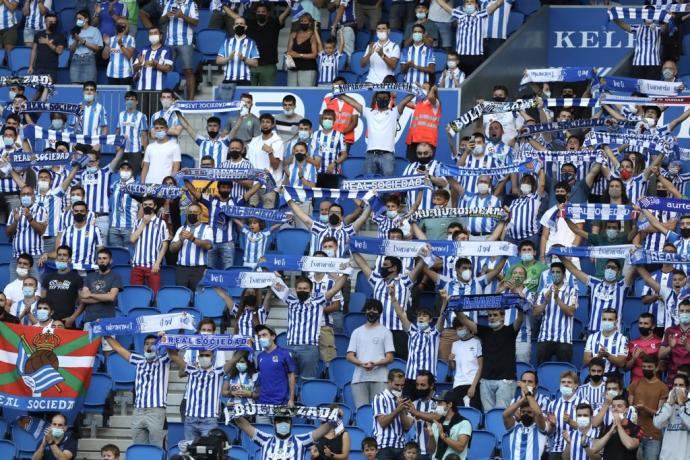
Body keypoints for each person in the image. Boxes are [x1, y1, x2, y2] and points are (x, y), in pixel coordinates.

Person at [270, 274, 347, 380]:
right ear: (295, 290)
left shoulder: (317, 301)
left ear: (311, 290)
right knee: (290, 380)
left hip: (309, 348)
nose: (302, 290)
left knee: (307, 380)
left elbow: (336, 288)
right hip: (290, 347)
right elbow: (274, 284)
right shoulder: (290, 300)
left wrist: (346, 272)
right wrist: (271, 272)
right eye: (299, 288)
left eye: (305, 288)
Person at [105, 334, 171, 447]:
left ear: (159, 347)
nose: (150, 346)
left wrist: (165, 338)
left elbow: (174, 350)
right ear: (143, 346)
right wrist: (105, 335)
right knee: (139, 447)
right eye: (147, 344)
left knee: (156, 447)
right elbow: (119, 348)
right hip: (138, 411)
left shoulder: (164, 360)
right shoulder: (138, 360)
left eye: (153, 344)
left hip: (156, 411)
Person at [456, 305, 523, 411]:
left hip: (506, 381)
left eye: (495, 315)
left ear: (503, 317)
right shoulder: (484, 331)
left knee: (500, 415)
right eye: (489, 315)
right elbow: (463, 319)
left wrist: (520, 306)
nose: (491, 317)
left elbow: (520, 319)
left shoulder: (510, 330)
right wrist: (455, 306)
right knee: (488, 415)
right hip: (486, 381)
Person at [336, 87, 414, 177]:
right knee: (369, 184)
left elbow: (404, 101)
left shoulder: (394, 112)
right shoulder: (369, 112)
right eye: (379, 98)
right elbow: (354, 103)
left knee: (387, 184)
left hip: (387, 155)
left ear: (389, 99)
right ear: (376, 99)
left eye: (384, 98)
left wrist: (415, 92)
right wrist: (341, 95)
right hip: (370, 155)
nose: (382, 100)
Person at [167, 345, 230, 441]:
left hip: (209, 419)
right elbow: (174, 356)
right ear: (198, 357)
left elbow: (234, 360)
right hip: (191, 419)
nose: (204, 357)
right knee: (191, 450)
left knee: (208, 450)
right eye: (202, 355)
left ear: (212, 357)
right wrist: (165, 341)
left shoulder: (219, 372)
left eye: (207, 355)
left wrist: (246, 346)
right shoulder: (191, 370)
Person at [392, 285, 445, 396]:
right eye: (419, 316)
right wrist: (392, 296)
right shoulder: (412, 331)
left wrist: (444, 301)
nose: (420, 318)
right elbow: (401, 314)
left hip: (428, 379)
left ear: (430, 320)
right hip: (411, 378)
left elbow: (442, 316)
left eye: (424, 316)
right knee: (408, 409)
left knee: (426, 408)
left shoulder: (434, 333)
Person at [347, 298, 395, 409]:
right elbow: (349, 356)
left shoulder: (386, 332)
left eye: (375, 309)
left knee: (380, 410)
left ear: (379, 312)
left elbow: (390, 357)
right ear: (365, 311)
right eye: (369, 309)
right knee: (361, 410)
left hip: (381, 378)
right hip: (359, 378)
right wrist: (361, 363)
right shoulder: (357, 332)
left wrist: (375, 364)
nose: (371, 312)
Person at [234, 413, 337, 460]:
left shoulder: (301, 440)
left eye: (286, 421)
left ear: (291, 424)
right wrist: (233, 410)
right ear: (274, 424)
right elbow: (243, 424)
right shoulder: (265, 439)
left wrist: (335, 415)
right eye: (279, 421)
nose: (283, 424)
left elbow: (325, 429)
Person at [534, 261, 579, 364]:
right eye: (553, 272)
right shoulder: (544, 291)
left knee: (564, 370)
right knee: (541, 369)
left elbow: (571, 312)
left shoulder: (572, 291)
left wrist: (557, 299)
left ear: (563, 275)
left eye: (558, 272)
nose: (555, 274)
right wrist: (545, 302)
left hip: (564, 339)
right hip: (545, 338)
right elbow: (535, 313)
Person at [627, 355, 668, 460]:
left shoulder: (663, 387)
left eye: (649, 367)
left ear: (657, 368)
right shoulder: (635, 384)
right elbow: (629, 406)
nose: (646, 369)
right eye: (644, 367)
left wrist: (645, 408)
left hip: (653, 436)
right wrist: (633, 408)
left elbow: (660, 414)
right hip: (635, 434)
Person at [129, 197, 169, 295]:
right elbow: (132, 239)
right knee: (135, 294)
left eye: (150, 205)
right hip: (137, 264)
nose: (147, 207)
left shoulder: (161, 223)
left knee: (155, 295)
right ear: (142, 206)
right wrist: (143, 223)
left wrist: (158, 263)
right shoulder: (137, 222)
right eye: (145, 205)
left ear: (155, 206)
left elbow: (165, 244)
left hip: (152, 265)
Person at [169, 203, 213, 291]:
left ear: (200, 215)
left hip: (199, 270)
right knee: (181, 296)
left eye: (195, 212)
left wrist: (192, 239)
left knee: (198, 297)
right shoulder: (181, 229)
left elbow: (208, 245)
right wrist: (180, 240)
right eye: (190, 212)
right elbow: (172, 249)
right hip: (182, 270)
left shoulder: (207, 228)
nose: (192, 214)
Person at [160, 0, 199, 100]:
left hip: (185, 42)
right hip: (169, 42)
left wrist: (182, 16)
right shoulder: (169, 3)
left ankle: (190, 101)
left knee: (188, 70)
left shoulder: (191, 4)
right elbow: (161, 21)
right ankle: (166, 98)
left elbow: (195, 22)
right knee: (166, 69)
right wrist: (166, 16)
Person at [373, 369, 415, 459]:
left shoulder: (406, 400)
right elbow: (382, 423)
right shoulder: (380, 397)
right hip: (384, 445)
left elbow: (407, 427)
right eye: (397, 385)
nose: (400, 388)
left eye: (402, 385)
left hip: (401, 446)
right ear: (389, 382)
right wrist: (397, 410)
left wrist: (401, 412)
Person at [246, 113, 284, 209]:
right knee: (251, 216)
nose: (265, 124)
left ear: (272, 125)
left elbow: (275, 166)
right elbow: (248, 163)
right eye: (262, 122)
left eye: (267, 122)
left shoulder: (278, 142)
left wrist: (270, 152)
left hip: (269, 185)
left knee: (268, 216)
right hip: (254, 185)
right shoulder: (254, 141)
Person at [6, 185, 47, 275]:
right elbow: (8, 233)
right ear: (20, 197)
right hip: (17, 257)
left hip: (35, 256)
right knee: (15, 286)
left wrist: (29, 218)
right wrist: (15, 222)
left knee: (35, 286)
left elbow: (41, 230)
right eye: (23, 194)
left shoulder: (41, 210)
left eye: (28, 194)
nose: (26, 196)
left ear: (34, 196)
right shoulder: (15, 211)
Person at [502, 383, 549, 460]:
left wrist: (528, 394)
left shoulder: (540, 428)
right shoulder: (515, 426)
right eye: (523, 412)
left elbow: (539, 413)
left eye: (529, 412)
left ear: (534, 414)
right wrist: (524, 398)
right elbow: (505, 415)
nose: (525, 414)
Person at [41, 245, 84, 329]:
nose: (61, 257)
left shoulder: (77, 278)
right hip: (49, 322)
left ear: (69, 259)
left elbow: (82, 303)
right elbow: (42, 300)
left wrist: (72, 318)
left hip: (67, 322)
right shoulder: (48, 277)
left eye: (64, 255)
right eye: (59, 255)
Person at [255, 324, 296, 408]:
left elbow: (291, 376)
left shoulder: (284, 354)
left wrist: (291, 399)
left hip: (282, 402)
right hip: (263, 403)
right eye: (259, 336)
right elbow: (260, 378)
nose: (261, 338)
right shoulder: (260, 356)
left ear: (273, 336)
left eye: (264, 335)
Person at [448, 315, 483, 410]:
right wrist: (450, 360)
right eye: (458, 328)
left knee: (474, 412)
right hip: (458, 384)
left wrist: (473, 386)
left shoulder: (477, 342)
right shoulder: (455, 345)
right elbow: (452, 367)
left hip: (473, 383)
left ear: (468, 326)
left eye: (462, 327)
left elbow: (481, 366)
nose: (460, 330)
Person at [80, 248, 122, 324]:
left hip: (108, 321)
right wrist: (105, 297)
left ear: (110, 260)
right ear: (97, 261)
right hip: (89, 320)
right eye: (99, 258)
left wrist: (90, 295)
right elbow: (83, 299)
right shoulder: (89, 277)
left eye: (105, 258)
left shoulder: (116, 277)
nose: (102, 261)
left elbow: (111, 297)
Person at [546, 370, 582, 459]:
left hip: (577, 449)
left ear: (575, 386)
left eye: (569, 382)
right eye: (563, 382)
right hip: (556, 449)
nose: (566, 384)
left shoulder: (583, 403)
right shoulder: (552, 404)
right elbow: (549, 433)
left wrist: (570, 422)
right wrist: (552, 425)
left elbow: (586, 429)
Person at [653, 374, 690, 459]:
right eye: (675, 385)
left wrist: (681, 405)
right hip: (666, 457)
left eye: (681, 385)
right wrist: (669, 404)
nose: (677, 388)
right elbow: (657, 423)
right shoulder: (668, 406)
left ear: (687, 388)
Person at [426, 391, 472, 460]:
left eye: (440, 403)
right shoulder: (436, 423)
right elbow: (431, 450)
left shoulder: (464, 423)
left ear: (450, 404)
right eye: (437, 403)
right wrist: (431, 436)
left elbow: (460, 447)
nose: (437, 406)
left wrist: (443, 435)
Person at [583, 308, 629, 374]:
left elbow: (621, 363)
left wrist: (607, 355)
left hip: (612, 376)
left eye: (610, 320)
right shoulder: (592, 337)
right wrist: (598, 357)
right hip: (594, 375)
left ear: (616, 322)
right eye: (604, 319)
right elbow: (586, 361)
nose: (607, 322)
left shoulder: (622, 339)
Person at [216, 16, 259, 85]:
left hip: (245, 81)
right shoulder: (226, 42)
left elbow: (255, 63)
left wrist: (243, 58)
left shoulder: (251, 43)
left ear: (245, 27)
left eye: (241, 24)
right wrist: (228, 58)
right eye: (237, 24)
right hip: (228, 80)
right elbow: (218, 61)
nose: (239, 25)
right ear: (233, 27)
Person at [141, 118, 182, 184]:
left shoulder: (175, 146)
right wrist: (142, 183)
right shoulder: (149, 147)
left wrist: (171, 182)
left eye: (161, 128)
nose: (159, 130)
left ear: (166, 129)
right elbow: (145, 167)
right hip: (149, 183)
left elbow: (176, 167)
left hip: (165, 185)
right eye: (157, 128)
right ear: (154, 130)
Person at [116, 92, 148, 175]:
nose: (129, 101)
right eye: (127, 99)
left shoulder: (141, 116)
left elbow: (144, 136)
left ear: (136, 102)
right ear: (125, 102)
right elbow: (117, 131)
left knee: (134, 174)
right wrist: (117, 146)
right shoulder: (121, 114)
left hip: (135, 151)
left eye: (132, 99)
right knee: (121, 174)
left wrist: (146, 155)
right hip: (122, 151)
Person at [28, 12, 65, 83]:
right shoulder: (38, 34)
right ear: (45, 22)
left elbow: (59, 51)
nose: (53, 23)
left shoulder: (60, 36)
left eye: (54, 22)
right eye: (50, 22)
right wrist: (30, 66)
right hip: (38, 68)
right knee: (38, 90)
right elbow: (33, 51)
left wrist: (48, 43)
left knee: (49, 91)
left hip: (52, 69)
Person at [133, 26, 173, 92]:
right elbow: (135, 68)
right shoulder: (143, 50)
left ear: (160, 36)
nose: (153, 35)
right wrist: (139, 64)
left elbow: (168, 68)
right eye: (151, 34)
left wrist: (156, 65)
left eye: (155, 33)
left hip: (158, 88)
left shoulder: (166, 50)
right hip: (142, 87)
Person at [659, 300, 690, 385]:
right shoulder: (670, 331)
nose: (684, 313)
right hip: (673, 378)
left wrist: (687, 346)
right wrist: (671, 347)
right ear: (678, 313)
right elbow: (660, 355)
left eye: (688, 311)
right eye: (682, 311)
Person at [626, 313, 663, 383]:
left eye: (646, 323)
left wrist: (646, 357)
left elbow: (663, 367)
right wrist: (634, 359)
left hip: (654, 383)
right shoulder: (632, 343)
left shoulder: (660, 342)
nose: (642, 326)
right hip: (635, 384)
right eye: (640, 323)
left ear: (653, 326)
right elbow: (626, 368)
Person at [68, 10, 103, 83]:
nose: (78, 20)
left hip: (89, 59)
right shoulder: (74, 31)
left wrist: (83, 41)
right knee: (74, 84)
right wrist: (76, 40)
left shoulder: (94, 30)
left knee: (89, 84)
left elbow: (98, 48)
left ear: (87, 19)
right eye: (77, 19)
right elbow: (71, 50)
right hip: (76, 59)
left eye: (80, 18)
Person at [286, 13, 318, 87]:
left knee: (306, 93)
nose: (303, 23)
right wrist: (290, 54)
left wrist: (299, 55)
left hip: (308, 68)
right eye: (301, 21)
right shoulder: (293, 34)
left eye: (305, 21)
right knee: (292, 92)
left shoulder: (313, 36)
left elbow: (314, 54)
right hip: (293, 68)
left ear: (310, 23)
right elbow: (289, 51)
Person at [102, 16, 135, 85]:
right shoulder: (111, 39)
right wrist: (107, 45)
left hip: (125, 74)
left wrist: (121, 45)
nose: (120, 25)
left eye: (123, 24)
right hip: (111, 73)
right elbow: (105, 57)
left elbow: (128, 56)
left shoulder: (130, 39)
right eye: (118, 24)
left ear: (127, 27)